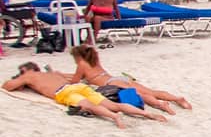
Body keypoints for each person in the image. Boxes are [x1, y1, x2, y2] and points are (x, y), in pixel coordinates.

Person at [4, 62, 166, 125]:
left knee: (90, 106)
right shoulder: (53, 74)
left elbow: (7, 86)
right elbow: (74, 77)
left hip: (64, 92)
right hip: (78, 86)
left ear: (26, 70)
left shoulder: (28, 76)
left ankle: (114, 117)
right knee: (114, 105)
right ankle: (147, 115)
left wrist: (20, 80)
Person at [68, 45, 191, 114]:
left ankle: (161, 104)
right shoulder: (94, 60)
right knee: (151, 91)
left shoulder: (81, 64)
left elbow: (74, 81)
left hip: (111, 82)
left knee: (141, 95)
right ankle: (177, 99)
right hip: (119, 78)